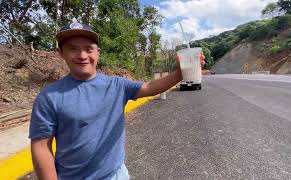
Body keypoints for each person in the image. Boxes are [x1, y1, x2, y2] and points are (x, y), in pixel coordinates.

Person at [29, 22, 184, 180]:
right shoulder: (49, 97)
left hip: (116, 175)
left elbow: (150, 87)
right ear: (61, 53)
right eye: (73, 48)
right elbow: (41, 146)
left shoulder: (116, 85)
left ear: (98, 53)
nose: (82, 55)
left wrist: (179, 74)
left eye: (89, 49)